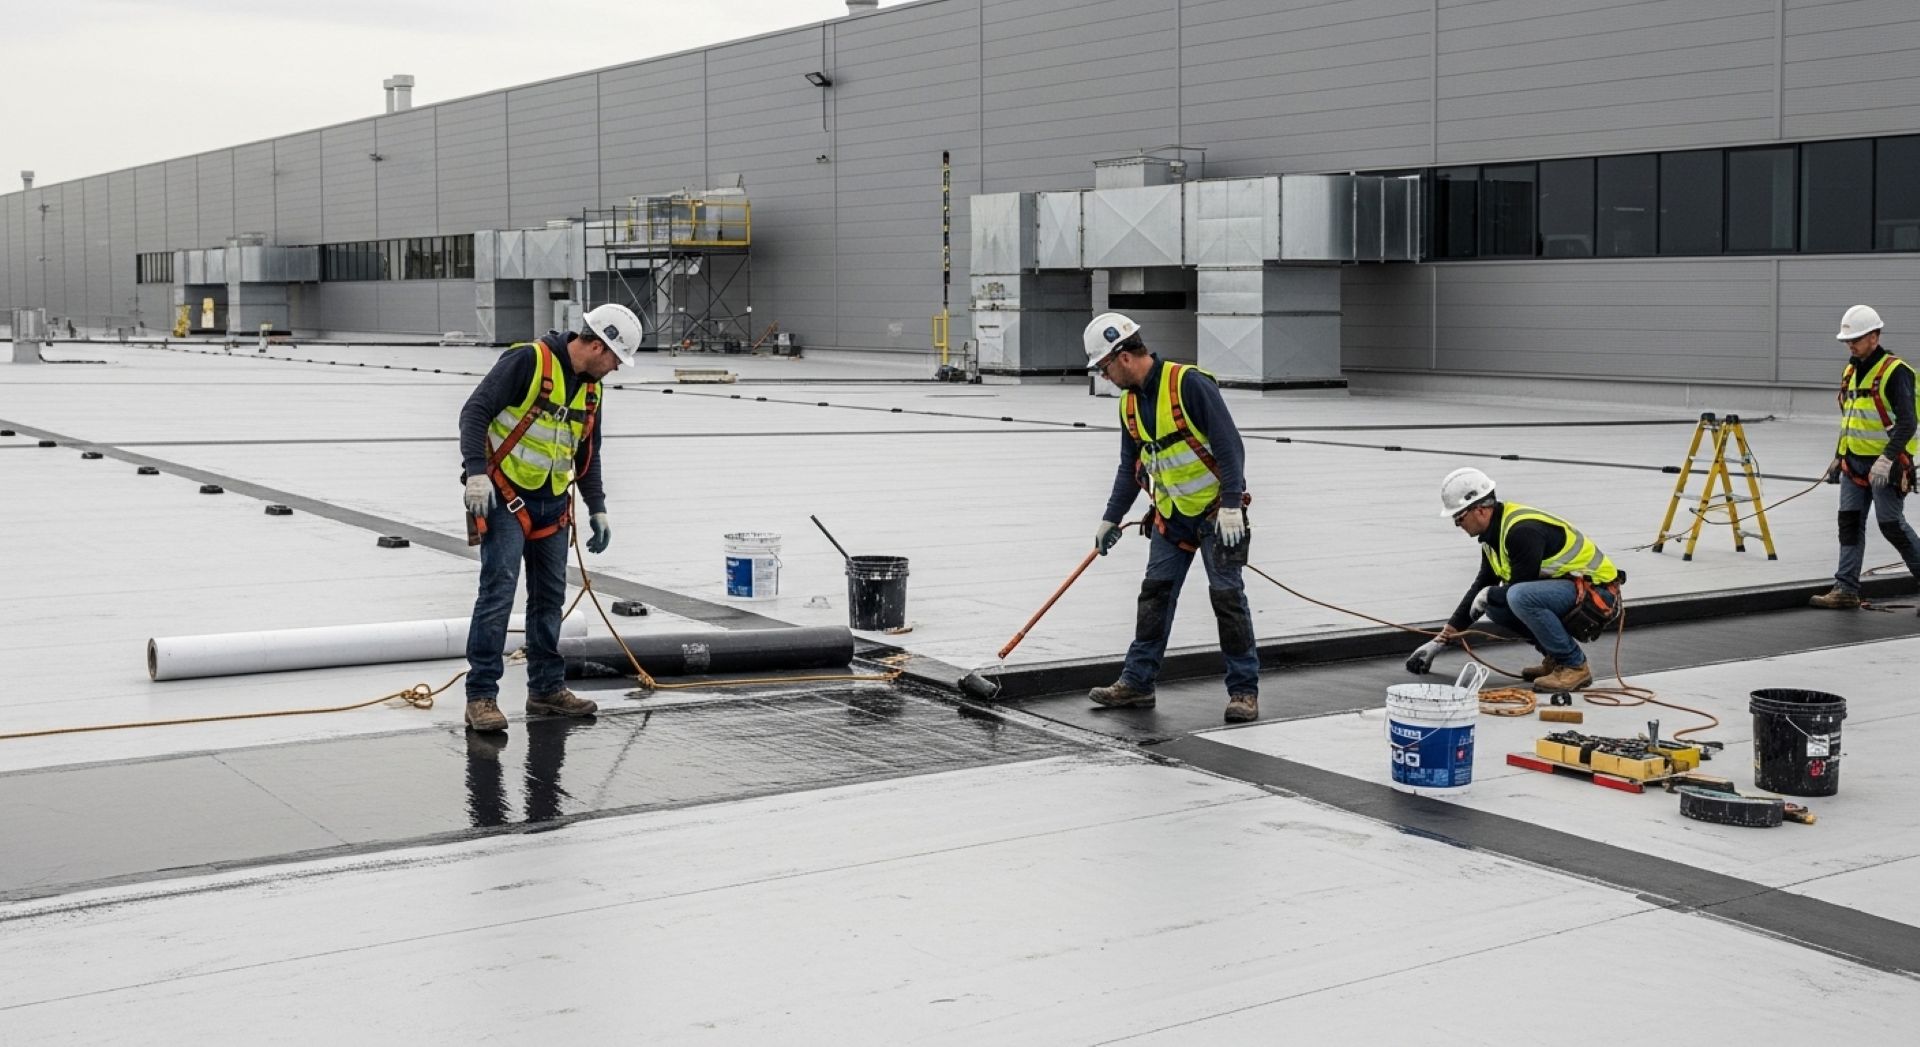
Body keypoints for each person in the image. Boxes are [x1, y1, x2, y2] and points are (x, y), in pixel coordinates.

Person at [458, 303, 641, 732]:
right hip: (506, 498)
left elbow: (587, 453)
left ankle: (545, 690)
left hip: (553, 505)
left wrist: (597, 506)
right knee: (497, 596)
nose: (615, 368)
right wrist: (476, 473)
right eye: (615, 359)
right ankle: (481, 696)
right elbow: (475, 412)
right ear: (597, 345)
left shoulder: (592, 390)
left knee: (548, 602)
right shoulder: (529, 361)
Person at [1083, 312, 1259, 723]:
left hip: (1219, 517)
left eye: (1104, 368)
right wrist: (1111, 518)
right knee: (1155, 596)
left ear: (1123, 356)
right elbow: (1131, 468)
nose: (1104, 377)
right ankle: (1137, 684)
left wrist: (1231, 505)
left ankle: (1244, 692)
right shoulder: (1129, 405)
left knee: (1228, 598)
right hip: (1170, 516)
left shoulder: (1188, 384)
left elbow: (1230, 448)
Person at [1433, 467, 1621, 693]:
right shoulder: (1493, 536)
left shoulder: (1521, 531)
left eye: (1459, 517)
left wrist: (1489, 594)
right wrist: (1443, 637)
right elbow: (1483, 583)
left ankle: (1574, 665)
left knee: (1518, 596)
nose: (1458, 525)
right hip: (1570, 591)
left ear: (1480, 510)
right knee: (1496, 605)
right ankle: (1556, 659)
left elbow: (1520, 587)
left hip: (1599, 594)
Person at [1811, 304, 1920, 608]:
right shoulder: (1850, 370)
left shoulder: (1895, 371)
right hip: (1853, 464)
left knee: (1891, 525)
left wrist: (1886, 460)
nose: (1851, 345)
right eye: (1848, 340)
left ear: (1875, 336)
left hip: (1887, 465)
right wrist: (1838, 455)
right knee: (1849, 523)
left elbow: (1908, 422)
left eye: (1856, 339)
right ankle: (1845, 589)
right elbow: (1851, 417)